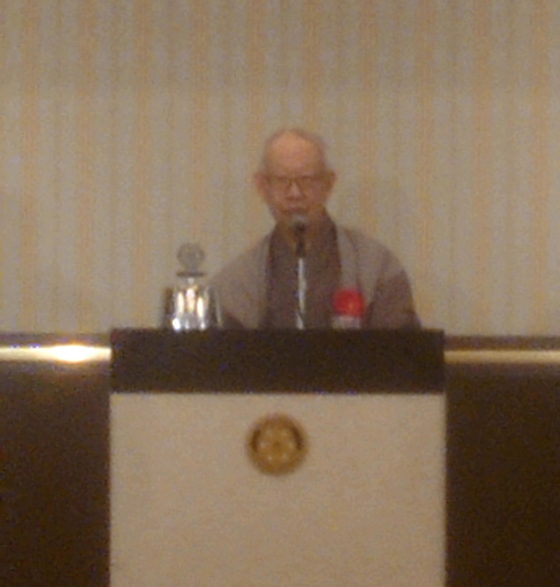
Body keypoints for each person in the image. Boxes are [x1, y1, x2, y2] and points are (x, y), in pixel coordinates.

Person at [211, 128, 420, 329]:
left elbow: (402, 348)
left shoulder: (377, 268)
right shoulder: (237, 281)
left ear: (328, 184)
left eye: (307, 180)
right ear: (263, 186)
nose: (295, 193)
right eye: (282, 181)